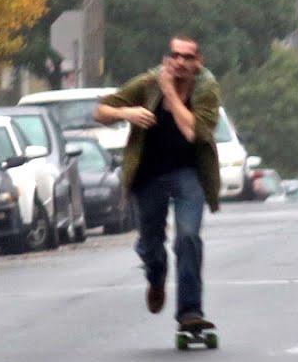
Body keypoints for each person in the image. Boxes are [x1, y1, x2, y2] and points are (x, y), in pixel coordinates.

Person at [93, 35, 221, 331]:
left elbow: (194, 133)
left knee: (188, 236)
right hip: (148, 174)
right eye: (175, 55)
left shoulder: (207, 89)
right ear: (167, 59)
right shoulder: (148, 83)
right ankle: (155, 275)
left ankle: (190, 312)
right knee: (151, 243)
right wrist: (126, 112)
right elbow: (101, 111)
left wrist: (172, 95)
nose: (180, 62)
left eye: (188, 57)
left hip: (188, 173)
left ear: (198, 63)